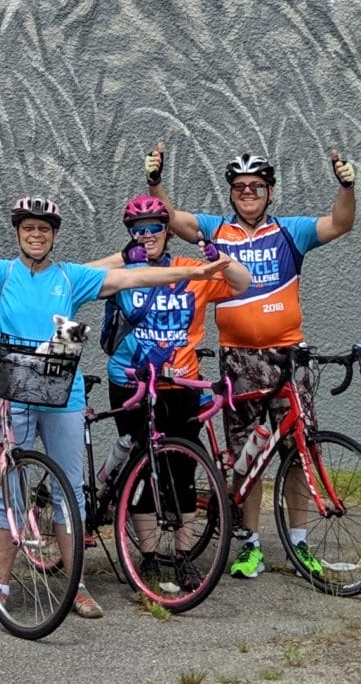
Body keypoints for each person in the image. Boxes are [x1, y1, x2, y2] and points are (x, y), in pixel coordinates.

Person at [0, 194, 230, 620]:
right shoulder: (2, 274)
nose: (36, 235)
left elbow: (132, 280)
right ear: (18, 232)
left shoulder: (71, 278)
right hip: (12, 395)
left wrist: (196, 271)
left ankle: (76, 586)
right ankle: (1, 587)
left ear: (53, 236)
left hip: (63, 399)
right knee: (7, 492)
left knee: (69, 492)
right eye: (29, 228)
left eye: (44, 229)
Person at [138, 143, 356, 580]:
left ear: (270, 192)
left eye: (257, 186)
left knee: (299, 450)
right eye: (240, 187)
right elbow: (171, 218)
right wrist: (155, 181)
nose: (248, 192)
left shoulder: (290, 231)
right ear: (232, 193)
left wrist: (346, 186)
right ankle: (250, 545)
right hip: (238, 360)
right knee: (246, 456)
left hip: (287, 357)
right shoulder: (216, 230)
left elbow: (340, 223)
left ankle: (299, 544)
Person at [86, 188, 254, 566]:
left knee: (181, 470)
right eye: (139, 229)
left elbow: (243, 284)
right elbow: (75, 278)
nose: (147, 235)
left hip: (181, 384)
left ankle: (182, 558)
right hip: (131, 381)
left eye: (155, 228)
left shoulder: (192, 271)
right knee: (143, 464)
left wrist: (220, 258)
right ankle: (147, 557)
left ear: (167, 230)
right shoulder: (124, 271)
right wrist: (122, 258)